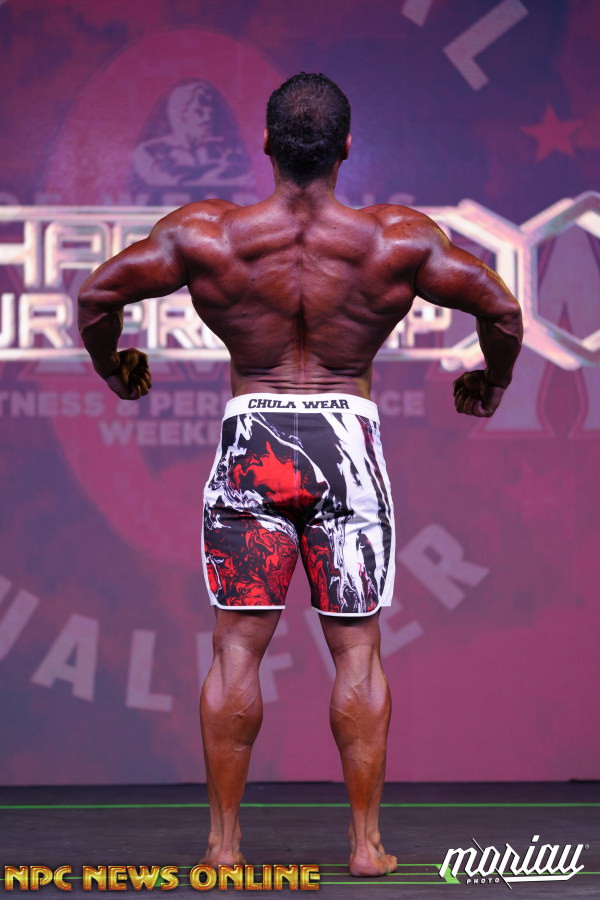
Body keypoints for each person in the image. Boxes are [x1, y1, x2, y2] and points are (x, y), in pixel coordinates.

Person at [78, 72, 523, 877]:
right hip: (346, 443)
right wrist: (489, 384)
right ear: (346, 146)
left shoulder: (208, 234)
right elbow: (501, 308)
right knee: (357, 651)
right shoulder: (395, 241)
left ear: (266, 144)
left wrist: (117, 369)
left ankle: (222, 846)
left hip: (253, 439)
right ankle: (365, 846)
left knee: (235, 650)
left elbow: (97, 295)